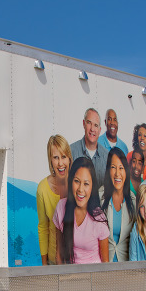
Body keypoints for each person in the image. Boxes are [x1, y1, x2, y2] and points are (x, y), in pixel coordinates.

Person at [53, 157, 110, 264]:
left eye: (86, 184)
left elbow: (105, 262)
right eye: (77, 181)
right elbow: (59, 254)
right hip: (70, 277)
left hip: (94, 278)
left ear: (92, 187)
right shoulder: (61, 208)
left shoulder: (99, 218)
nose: (80, 189)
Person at [36, 135, 72, 265]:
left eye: (63, 157)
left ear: (69, 159)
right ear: (50, 160)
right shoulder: (42, 188)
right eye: (55, 157)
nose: (60, 163)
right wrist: (44, 265)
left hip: (76, 260)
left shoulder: (78, 185)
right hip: (53, 261)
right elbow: (43, 227)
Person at [100, 147, 135, 262]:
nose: (117, 173)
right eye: (113, 168)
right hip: (104, 264)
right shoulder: (100, 196)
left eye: (121, 168)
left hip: (126, 266)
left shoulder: (133, 201)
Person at [70, 108, 109, 188]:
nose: (92, 129)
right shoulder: (71, 151)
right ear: (84, 124)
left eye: (96, 125)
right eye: (89, 123)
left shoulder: (107, 156)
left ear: (99, 130)